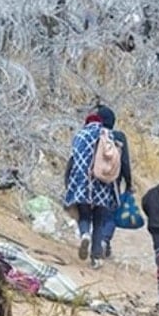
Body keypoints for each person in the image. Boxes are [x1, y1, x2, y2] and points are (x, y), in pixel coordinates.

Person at [62, 114, 118, 268]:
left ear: (86, 123)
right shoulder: (108, 135)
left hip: (82, 181)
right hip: (102, 182)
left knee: (84, 213)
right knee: (99, 220)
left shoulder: (80, 135)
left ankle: (85, 233)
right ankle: (96, 258)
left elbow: (72, 160)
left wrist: (68, 182)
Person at [93, 105, 133, 258]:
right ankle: (104, 240)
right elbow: (125, 162)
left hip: (94, 179)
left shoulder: (94, 134)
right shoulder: (119, 137)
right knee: (111, 213)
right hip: (113, 181)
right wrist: (128, 183)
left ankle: (95, 241)